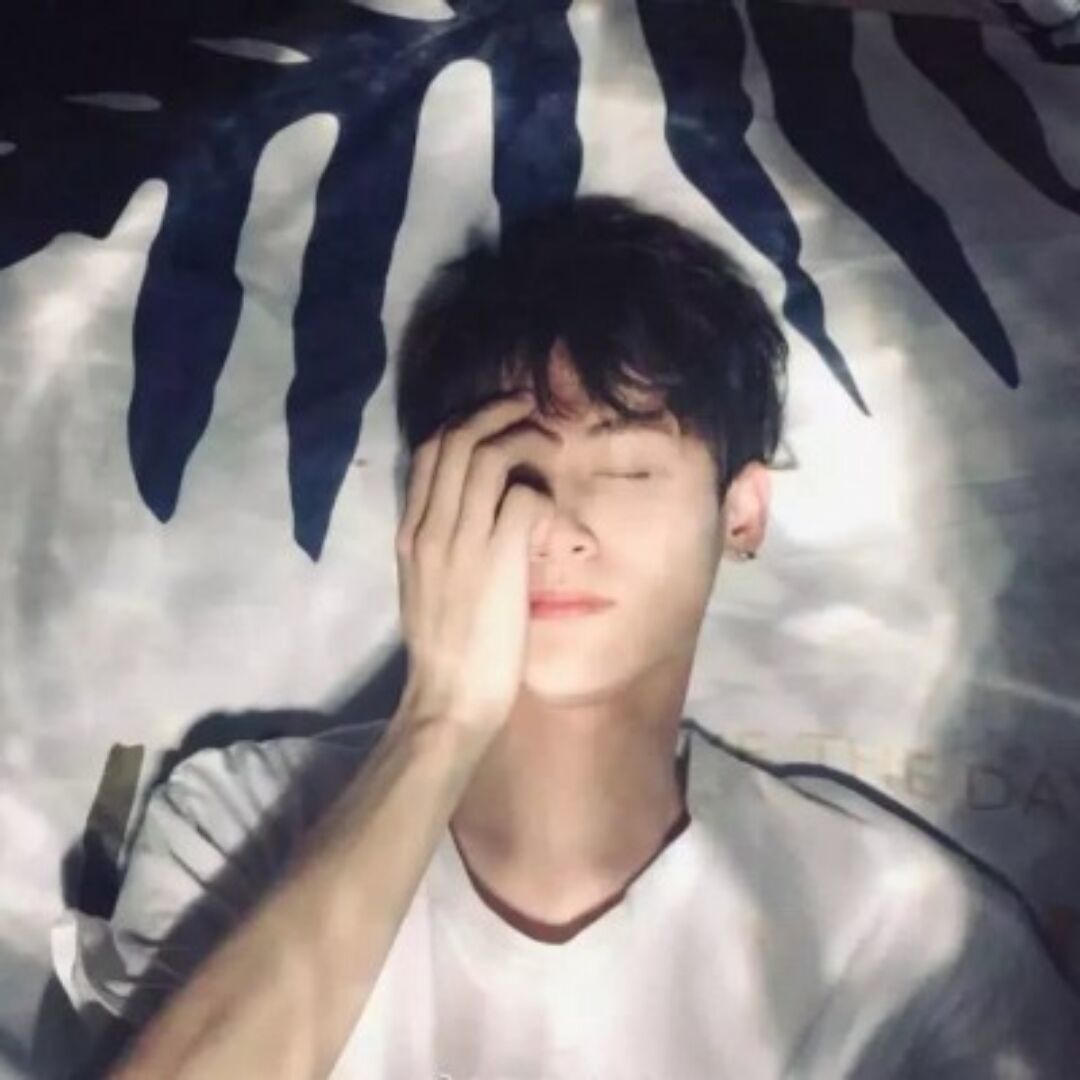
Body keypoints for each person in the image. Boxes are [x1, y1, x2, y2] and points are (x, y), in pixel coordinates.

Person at [55, 195, 1080, 1078]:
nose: (559, 526)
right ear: (424, 503)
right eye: (507, 467)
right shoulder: (232, 826)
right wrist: (440, 725)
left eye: (627, 468)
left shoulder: (898, 927)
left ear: (741, 510)